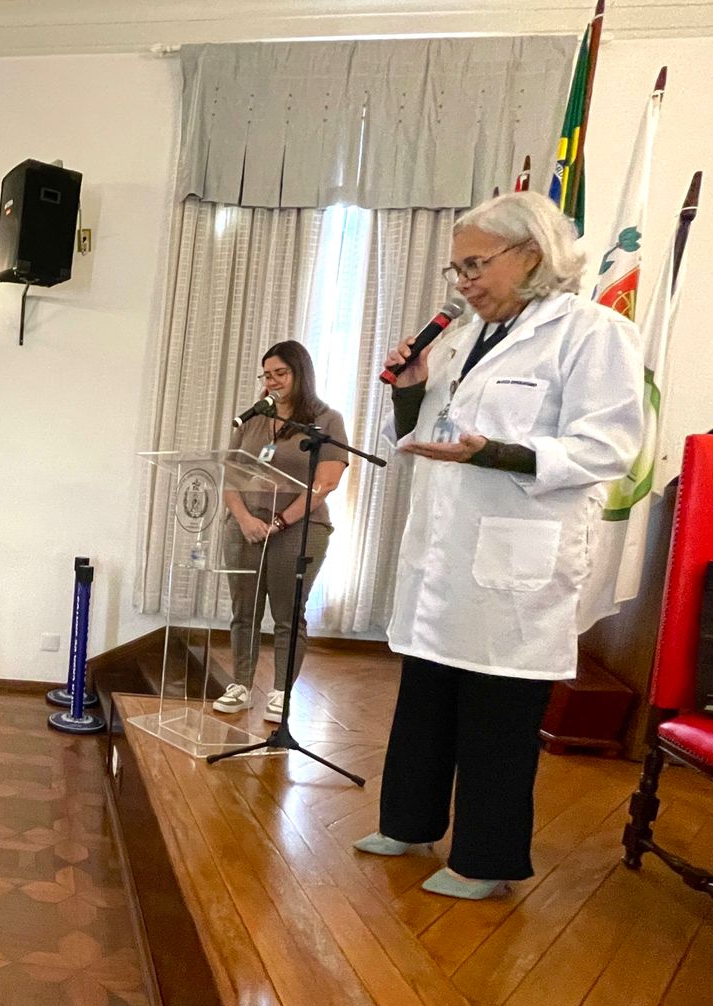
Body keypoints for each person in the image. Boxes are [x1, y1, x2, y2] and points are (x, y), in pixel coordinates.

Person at [353, 192, 643, 900]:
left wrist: (496, 454)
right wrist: (409, 390)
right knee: (426, 692)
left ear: (532, 255)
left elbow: (608, 447)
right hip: (444, 549)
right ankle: (408, 823)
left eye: (475, 265)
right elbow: (423, 435)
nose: (463, 283)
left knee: (497, 714)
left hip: (516, 556)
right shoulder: (460, 338)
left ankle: (484, 861)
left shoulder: (593, 333)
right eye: (457, 269)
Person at [213, 341, 350, 723]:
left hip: (299, 528)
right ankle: (240, 685)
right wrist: (244, 519)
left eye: (280, 374)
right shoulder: (254, 419)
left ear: (300, 374)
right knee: (244, 612)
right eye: (267, 375)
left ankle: (281, 692)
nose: (272, 381)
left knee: (288, 615)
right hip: (245, 526)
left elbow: (325, 483)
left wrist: (278, 523)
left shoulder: (327, 420)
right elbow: (230, 476)